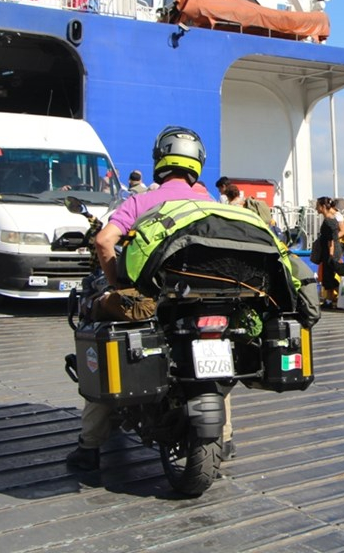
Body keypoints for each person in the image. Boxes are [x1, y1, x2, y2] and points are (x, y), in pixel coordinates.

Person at [66, 126, 235, 471]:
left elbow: (103, 242)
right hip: (204, 301)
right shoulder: (211, 205)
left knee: (104, 335)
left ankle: (90, 445)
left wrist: (115, 284)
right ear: (197, 164)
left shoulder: (141, 201)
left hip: (153, 301)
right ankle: (227, 437)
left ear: (160, 160)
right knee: (219, 359)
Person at [315, 197, 344, 307]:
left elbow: (331, 239)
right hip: (329, 251)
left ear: (323, 207)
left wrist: (331, 254)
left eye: (318, 205)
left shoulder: (329, 221)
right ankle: (329, 300)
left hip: (331, 252)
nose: (316, 208)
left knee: (330, 276)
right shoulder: (329, 220)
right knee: (328, 277)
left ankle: (343, 295)